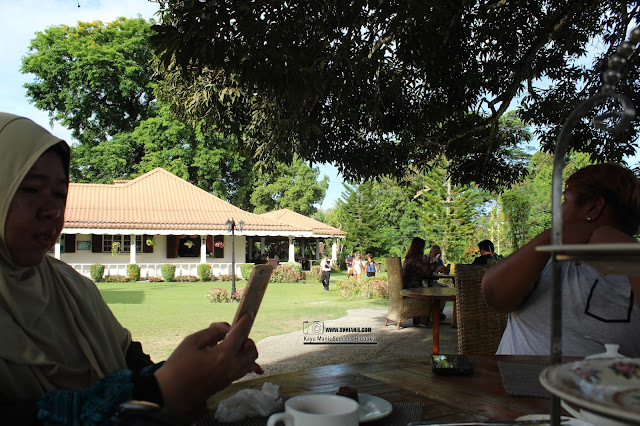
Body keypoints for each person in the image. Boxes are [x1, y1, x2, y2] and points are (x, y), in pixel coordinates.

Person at [0, 113, 263, 425]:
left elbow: (131, 367)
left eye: (59, 193)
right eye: (30, 189)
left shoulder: (72, 287)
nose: (52, 209)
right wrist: (161, 390)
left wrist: (201, 371)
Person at [482, 163, 640, 357]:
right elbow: (495, 297)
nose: (556, 210)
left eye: (565, 200)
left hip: (599, 386)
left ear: (594, 207)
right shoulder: (546, 259)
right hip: (509, 383)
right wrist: (548, 239)